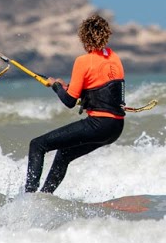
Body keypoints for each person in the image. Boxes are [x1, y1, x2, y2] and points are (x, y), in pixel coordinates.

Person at [24, 14, 127, 194]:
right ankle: (44, 197)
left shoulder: (83, 61)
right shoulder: (114, 57)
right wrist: (69, 87)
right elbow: (99, 87)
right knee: (63, 155)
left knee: (37, 145)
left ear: (84, 38)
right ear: (106, 35)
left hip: (98, 124)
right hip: (115, 127)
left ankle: (28, 196)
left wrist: (56, 85)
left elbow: (70, 101)